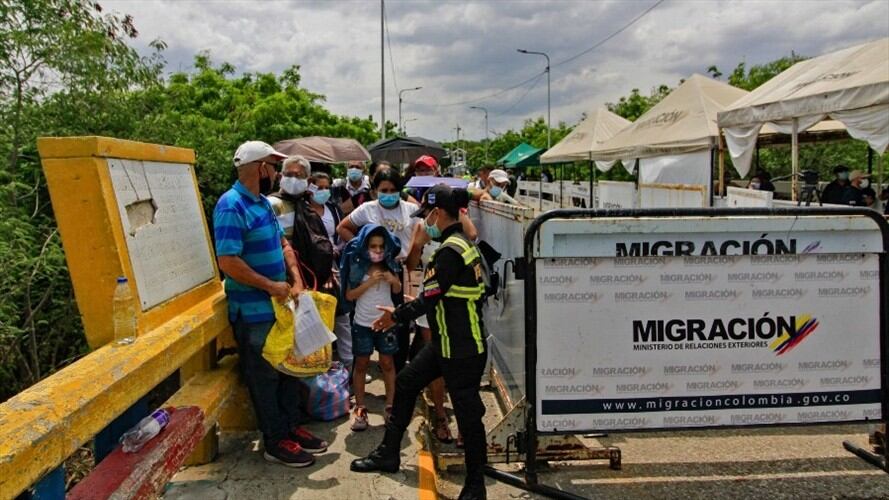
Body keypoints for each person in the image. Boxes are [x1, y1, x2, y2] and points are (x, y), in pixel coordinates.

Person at [351, 185, 489, 500]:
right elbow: (445, 296)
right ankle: (389, 453)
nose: (423, 222)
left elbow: (429, 300)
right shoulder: (462, 245)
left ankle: (476, 485)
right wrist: (419, 302)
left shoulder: (448, 252)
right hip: (447, 343)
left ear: (437, 213)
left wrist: (395, 316)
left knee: (468, 415)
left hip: (461, 348)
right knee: (407, 381)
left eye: (425, 215)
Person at [213, 141, 327, 468]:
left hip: (281, 305)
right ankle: (275, 441)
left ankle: (292, 427)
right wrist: (270, 286)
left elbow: (283, 243)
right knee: (264, 377)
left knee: (288, 369)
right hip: (254, 311)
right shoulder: (231, 205)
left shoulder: (263, 203)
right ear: (260, 168)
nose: (275, 173)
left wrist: (295, 279)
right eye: (273, 167)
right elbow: (228, 260)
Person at [337, 168, 419, 371]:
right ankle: (360, 369)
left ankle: (397, 371)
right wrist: (362, 250)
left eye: (393, 190)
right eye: (384, 189)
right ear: (375, 190)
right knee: (363, 318)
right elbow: (343, 228)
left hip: (397, 268)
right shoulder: (367, 209)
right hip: (369, 269)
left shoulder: (411, 210)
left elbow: (419, 236)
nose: (389, 194)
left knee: (399, 319)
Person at [344, 225, 402, 431]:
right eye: (372, 246)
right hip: (362, 322)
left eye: (380, 246)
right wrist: (369, 283)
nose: (377, 251)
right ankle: (360, 407)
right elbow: (350, 295)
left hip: (387, 323)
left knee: (387, 363)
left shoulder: (390, 265)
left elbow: (398, 289)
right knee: (361, 364)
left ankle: (391, 406)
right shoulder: (357, 266)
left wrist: (392, 279)